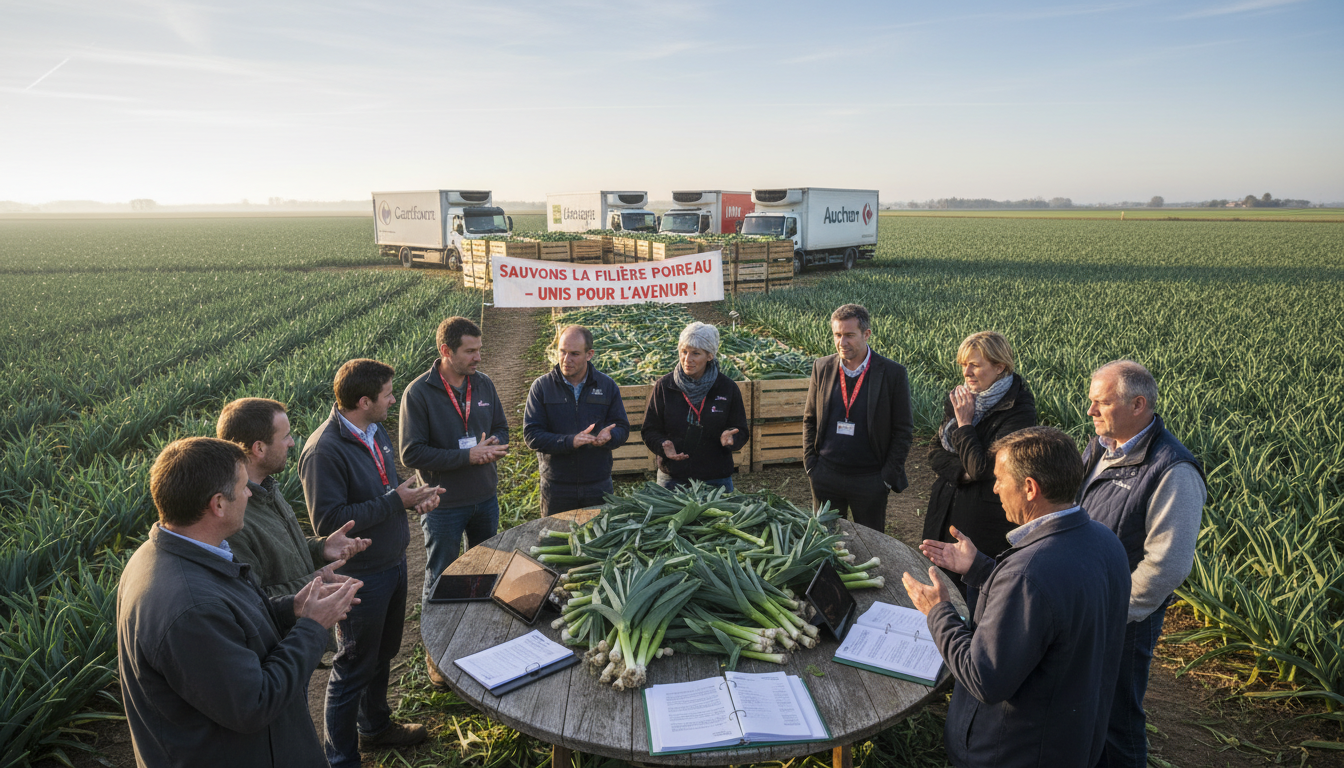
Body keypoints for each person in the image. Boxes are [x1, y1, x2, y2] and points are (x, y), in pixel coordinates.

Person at [117, 437, 363, 768]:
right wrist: (313, 625)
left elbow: (234, 622)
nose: (249, 494)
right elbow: (253, 704)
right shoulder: (190, 608)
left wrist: (292, 608)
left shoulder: (173, 552)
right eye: (244, 486)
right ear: (218, 504)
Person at [904, 427, 1131, 768]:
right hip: (1071, 739)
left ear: (1029, 488)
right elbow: (1051, 612)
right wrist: (981, 569)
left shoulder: (1027, 574)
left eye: (999, 479)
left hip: (1014, 751)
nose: (994, 488)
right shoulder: (1104, 541)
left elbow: (985, 678)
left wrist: (938, 612)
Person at [299, 358, 443, 767]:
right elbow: (329, 525)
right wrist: (394, 502)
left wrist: (413, 501)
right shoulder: (323, 450)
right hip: (359, 577)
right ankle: (341, 758)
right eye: (387, 395)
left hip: (392, 563)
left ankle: (375, 727)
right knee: (352, 668)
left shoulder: (375, 431)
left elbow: (387, 489)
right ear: (364, 401)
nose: (393, 400)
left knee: (382, 654)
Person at [1079, 361, 1206, 768]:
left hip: (1123, 619)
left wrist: (1113, 610)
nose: (1091, 412)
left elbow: (1167, 565)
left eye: (1101, 403)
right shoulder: (1102, 444)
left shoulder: (1173, 469)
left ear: (1138, 404)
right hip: (1088, 604)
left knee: (1117, 718)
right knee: (1087, 704)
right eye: (1091, 402)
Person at [922, 332, 1036, 611]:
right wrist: (962, 475)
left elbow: (983, 468)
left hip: (984, 521)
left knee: (972, 594)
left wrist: (964, 425)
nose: (967, 372)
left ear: (1000, 367)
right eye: (964, 364)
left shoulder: (1019, 410)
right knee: (939, 584)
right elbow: (934, 452)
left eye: (975, 365)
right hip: (946, 505)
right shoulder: (963, 397)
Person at [400, 316, 510, 603]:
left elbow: (501, 427)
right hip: (443, 505)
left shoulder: (483, 384)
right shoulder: (419, 392)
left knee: (485, 571)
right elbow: (412, 452)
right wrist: (467, 456)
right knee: (442, 577)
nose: (478, 357)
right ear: (446, 351)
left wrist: (492, 446)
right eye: (470, 351)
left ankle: (476, 630)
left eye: (479, 349)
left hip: (485, 499)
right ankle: (435, 645)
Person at [217, 397, 371, 597]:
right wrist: (315, 582)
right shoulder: (233, 517)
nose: (291, 443)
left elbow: (281, 552)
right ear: (259, 448)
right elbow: (253, 597)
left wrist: (321, 547)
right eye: (286, 436)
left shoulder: (267, 487)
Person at [802, 303, 914, 531]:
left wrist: (886, 478)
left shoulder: (892, 373)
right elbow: (810, 419)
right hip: (826, 475)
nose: (842, 342)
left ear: (866, 334)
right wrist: (811, 465)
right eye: (837, 335)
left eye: (849, 335)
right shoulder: (822, 367)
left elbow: (903, 430)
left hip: (870, 479)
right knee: (827, 544)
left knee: (870, 545)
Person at [524, 324, 630, 515]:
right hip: (557, 487)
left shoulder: (607, 386)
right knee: (556, 538)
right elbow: (532, 435)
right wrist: (570, 441)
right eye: (562, 352)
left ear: (589, 354)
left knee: (597, 541)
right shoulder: (542, 387)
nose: (566, 360)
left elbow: (622, 427)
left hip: (598, 485)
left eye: (574, 354)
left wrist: (611, 435)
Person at [641, 321, 749, 491]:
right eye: (684, 352)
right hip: (673, 479)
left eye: (696, 353)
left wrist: (732, 439)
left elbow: (741, 429)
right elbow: (649, 430)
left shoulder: (727, 387)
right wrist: (663, 445)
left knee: (720, 518)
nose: (687, 359)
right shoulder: (665, 386)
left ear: (710, 355)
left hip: (716, 479)